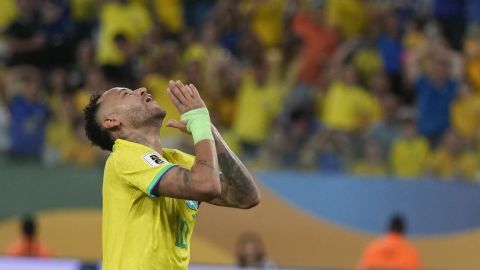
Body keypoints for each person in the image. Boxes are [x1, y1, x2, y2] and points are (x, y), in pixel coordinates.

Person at [83, 81, 260, 269]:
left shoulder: (176, 160)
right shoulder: (123, 157)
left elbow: (247, 196)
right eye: (127, 94)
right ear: (111, 121)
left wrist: (210, 132)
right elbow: (207, 185)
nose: (142, 89)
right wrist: (199, 125)